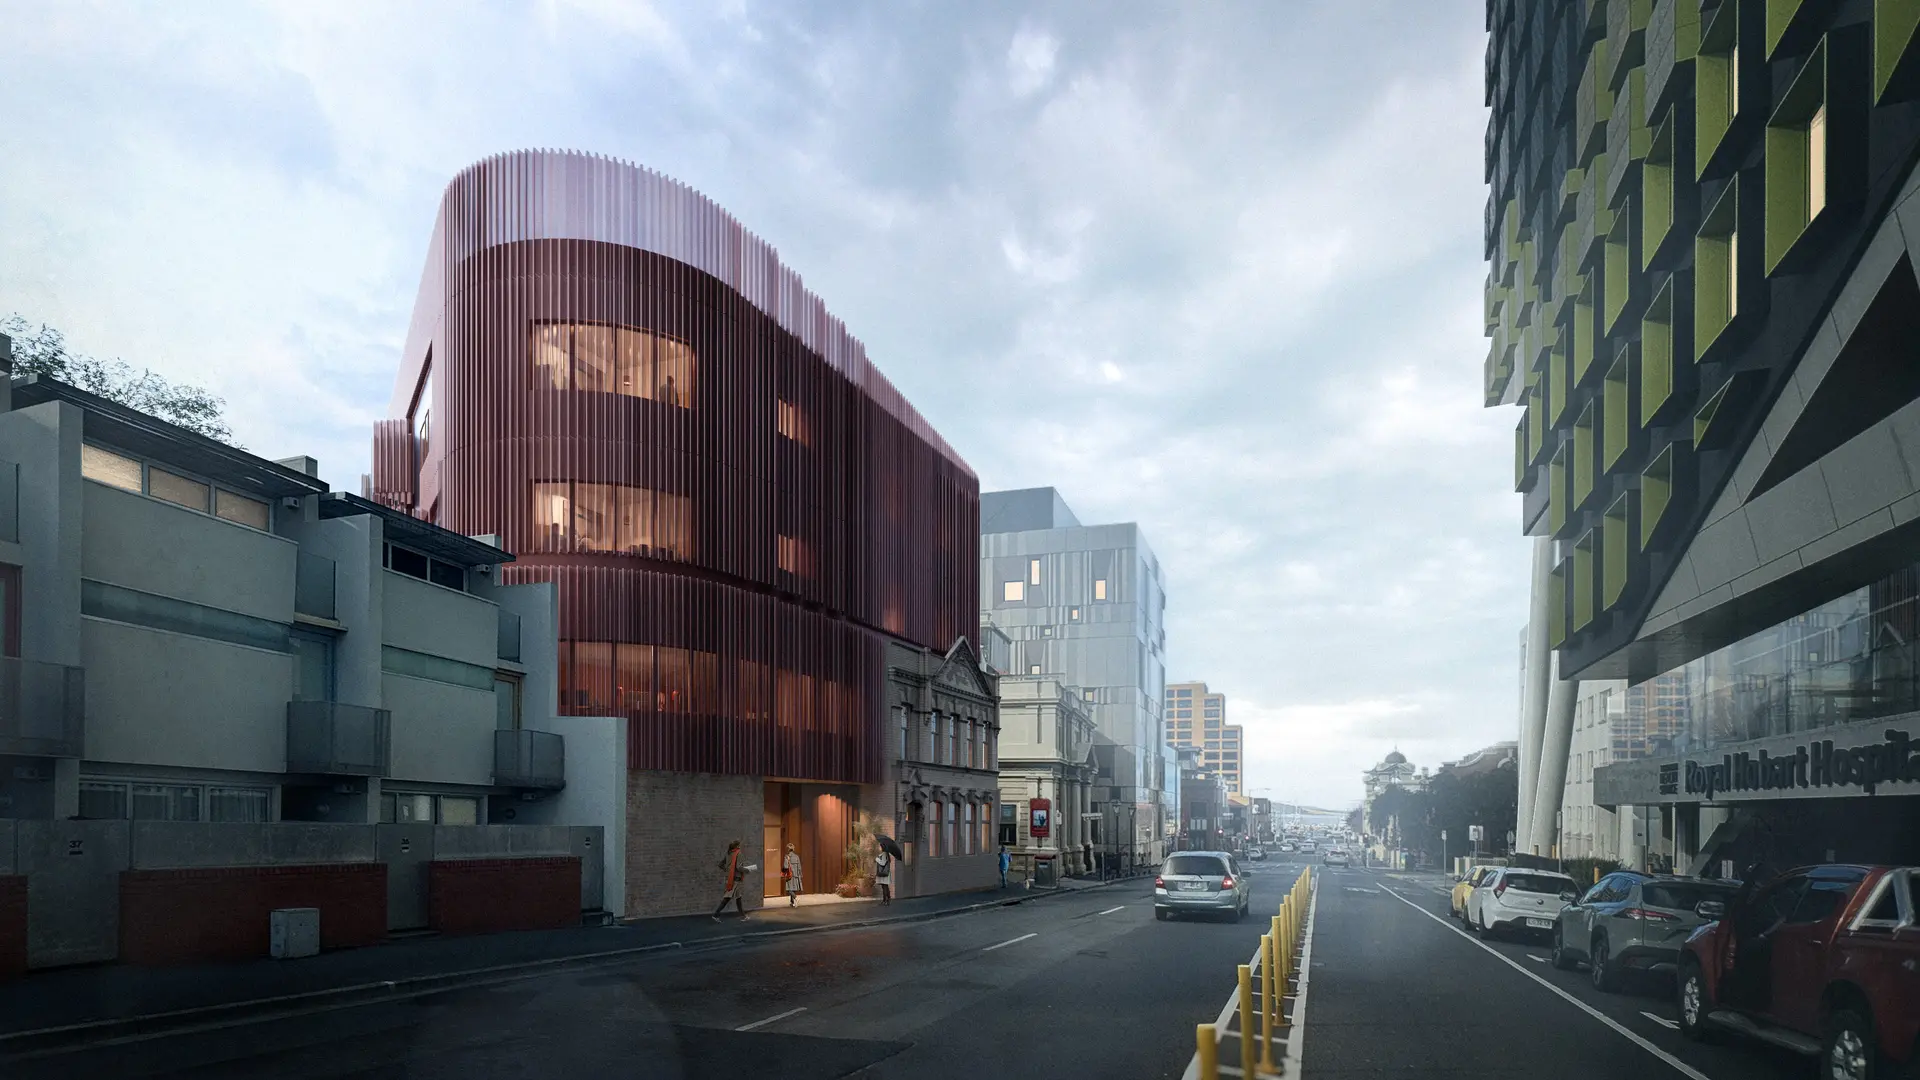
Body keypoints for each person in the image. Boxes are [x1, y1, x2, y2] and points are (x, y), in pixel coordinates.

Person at [712, 839, 754, 920]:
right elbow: (739, 867)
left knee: (738, 898)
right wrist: (748, 870)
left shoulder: (728, 853)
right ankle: (715, 915)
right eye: (739, 845)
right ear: (738, 846)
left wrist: (727, 870)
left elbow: (720, 864)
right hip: (736, 880)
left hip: (729, 879)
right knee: (727, 898)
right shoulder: (739, 854)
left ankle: (743, 916)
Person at [782, 843, 803, 907]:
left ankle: (796, 898)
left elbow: (786, 867)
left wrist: (783, 871)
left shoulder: (787, 856)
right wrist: (800, 874)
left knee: (789, 890)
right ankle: (792, 902)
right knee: (793, 889)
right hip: (796, 875)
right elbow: (799, 867)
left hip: (790, 875)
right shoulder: (797, 856)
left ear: (788, 849)